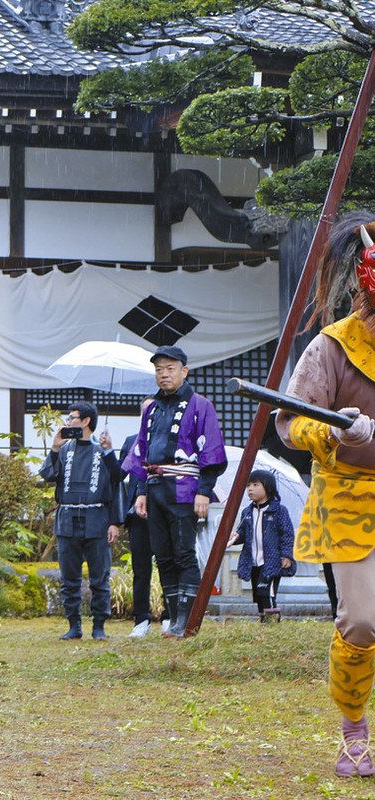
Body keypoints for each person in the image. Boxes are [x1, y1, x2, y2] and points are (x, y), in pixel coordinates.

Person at [275, 212, 375, 778]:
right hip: (348, 496)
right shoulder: (332, 347)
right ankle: (353, 730)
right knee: (360, 621)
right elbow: (289, 423)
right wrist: (335, 432)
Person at [122, 345, 227, 639]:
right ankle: (173, 621)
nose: (164, 374)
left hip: (185, 488)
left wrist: (204, 490)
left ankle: (186, 621)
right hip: (155, 487)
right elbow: (142, 451)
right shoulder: (151, 409)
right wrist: (141, 491)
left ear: (185, 371)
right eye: (159, 369)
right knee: (163, 555)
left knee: (183, 553)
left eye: (170, 368)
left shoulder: (200, 405)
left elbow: (211, 448)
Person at [40, 401, 124, 641]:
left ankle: (99, 626)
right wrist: (54, 448)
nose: (68, 422)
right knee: (69, 577)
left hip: (96, 518)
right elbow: (47, 475)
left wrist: (114, 522)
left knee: (100, 577)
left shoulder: (103, 450)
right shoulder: (64, 449)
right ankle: (73, 625)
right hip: (67, 518)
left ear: (86, 421)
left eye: (72, 418)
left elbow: (117, 482)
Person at [120, 397, 167, 637]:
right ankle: (141, 620)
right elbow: (119, 475)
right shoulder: (131, 441)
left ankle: (169, 616)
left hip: (163, 510)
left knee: (167, 564)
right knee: (140, 568)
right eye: (145, 411)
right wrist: (107, 451)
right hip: (136, 514)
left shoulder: (168, 440)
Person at [227, 470, 296, 622]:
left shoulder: (279, 511)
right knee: (258, 594)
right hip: (253, 561)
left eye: (255, 485)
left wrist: (286, 555)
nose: (250, 489)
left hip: (271, 561)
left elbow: (287, 534)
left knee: (266, 591)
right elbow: (243, 533)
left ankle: (272, 624)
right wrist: (235, 537)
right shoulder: (247, 512)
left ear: (268, 487)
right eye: (248, 486)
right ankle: (263, 621)